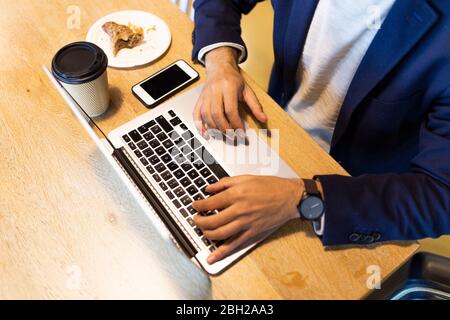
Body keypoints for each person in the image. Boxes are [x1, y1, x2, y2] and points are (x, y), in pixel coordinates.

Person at [190, 0, 450, 264]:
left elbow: (442, 196)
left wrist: (302, 199)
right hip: (274, 135)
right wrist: (221, 61)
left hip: (352, 200)